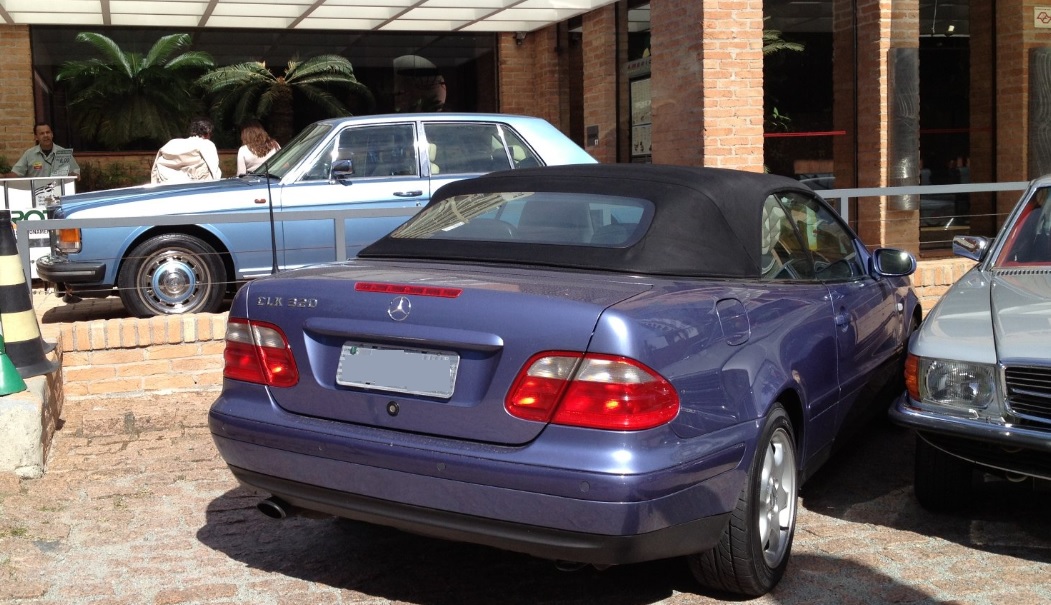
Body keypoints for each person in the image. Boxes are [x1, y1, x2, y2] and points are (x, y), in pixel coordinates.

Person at [151, 117, 221, 184]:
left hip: (168, 189)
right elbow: (214, 170)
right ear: (208, 133)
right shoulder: (207, 144)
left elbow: (155, 170)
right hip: (198, 190)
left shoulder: (171, 143)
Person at [5, 122, 80, 180]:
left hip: (59, 193)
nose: (45, 135)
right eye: (42, 133)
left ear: (52, 134)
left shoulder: (64, 153)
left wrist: (74, 175)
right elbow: (16, 173)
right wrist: (3, 176)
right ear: (36, 137)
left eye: (48, 132)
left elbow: (76, 173)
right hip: (37, 193)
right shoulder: (29, 154)